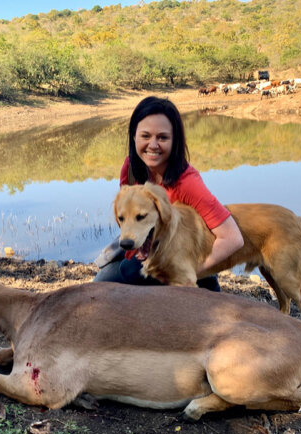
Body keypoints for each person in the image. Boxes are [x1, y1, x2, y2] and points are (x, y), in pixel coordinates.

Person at [94, 96, 244, 291]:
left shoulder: (188, 183)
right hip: (151, 246)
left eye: (162, 137)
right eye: (145, 136)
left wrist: (190, 272)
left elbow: (233, 238)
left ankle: (203, 290)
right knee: (100, 284)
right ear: (134, 136)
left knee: (129, 271)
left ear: (175, 141)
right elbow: (129, 215)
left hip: (186, 255)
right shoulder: (131, 167)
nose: (153, 145)